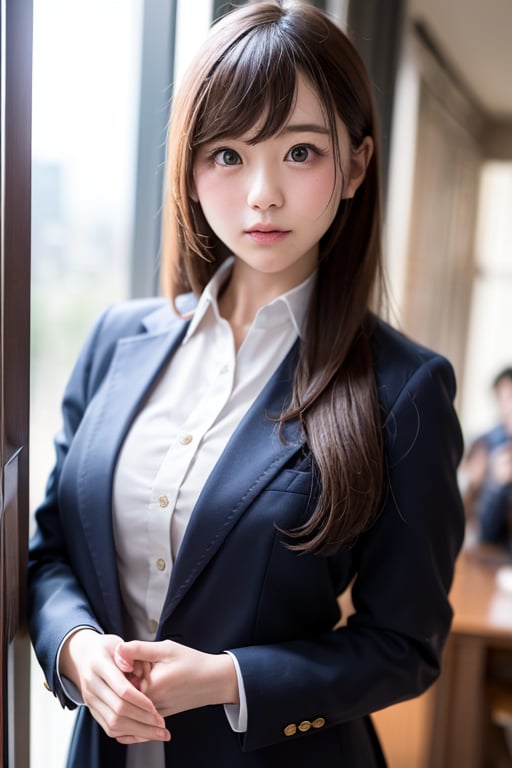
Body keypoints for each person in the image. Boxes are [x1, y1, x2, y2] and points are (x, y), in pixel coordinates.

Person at [27, 2, 465, 766]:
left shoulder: (404, 390)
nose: (262, 192)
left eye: (300, 152)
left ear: (356, 165)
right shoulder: (114, 342)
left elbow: (405, 645)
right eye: (227, 155)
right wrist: (75, 646)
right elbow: (50, 553)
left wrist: (229, 680)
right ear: (191, 173)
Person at [462, 367, 512, 553]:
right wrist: (496, 483)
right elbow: (483, 529)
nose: (508, 406)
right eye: (504, 399)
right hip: (490, 550)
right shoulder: (484, 445)